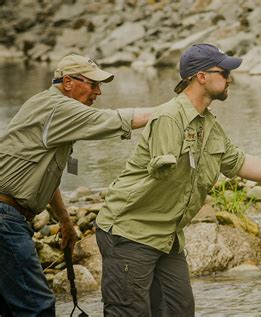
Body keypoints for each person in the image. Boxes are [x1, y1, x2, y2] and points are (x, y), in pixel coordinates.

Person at [95, 43, 261, 316]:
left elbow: (240, 162)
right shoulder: (169, 117)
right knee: (129, 312)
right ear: (201, 76)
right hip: (130, 233)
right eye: (224, 72)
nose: (230, 78)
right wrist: (164, 161)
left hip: (168, 237)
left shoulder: (208, 124)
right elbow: (160, 166)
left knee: (180, 310)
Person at [0, 54, 154, 316]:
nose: (98, 92)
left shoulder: (49, 107)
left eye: (100, 85)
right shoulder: (57, 107)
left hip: (9, 217)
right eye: (92, 84)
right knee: (37, 306)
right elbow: (113, 120)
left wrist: (65, 220)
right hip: (5, 220)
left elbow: (45, 176)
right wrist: (179, 111)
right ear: (68, 82)